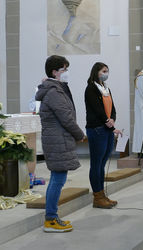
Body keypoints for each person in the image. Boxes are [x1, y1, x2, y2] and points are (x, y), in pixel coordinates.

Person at [35, 55, 85, 233]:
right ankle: (50, 220)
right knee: (57, 179)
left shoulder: (56, 88)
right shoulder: (54, 91)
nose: (67, 73)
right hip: (58, 140)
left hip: (58, 139)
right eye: (64, 69)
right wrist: (80, 135)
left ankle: (52, 217)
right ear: (54, 72)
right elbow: (66, 118)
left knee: (58, 178)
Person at [85, 62, 122, 209]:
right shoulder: (91, 88)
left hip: (107, 128)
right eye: (104, 71)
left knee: (103, 163)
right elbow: (97, 109)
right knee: (96, 164)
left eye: (107, 71)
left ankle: (102, 195)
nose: (106, 73)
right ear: (97, 72)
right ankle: (97, 197)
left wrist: (112, 119)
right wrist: (107, 121)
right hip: (96, 129)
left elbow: (112, 108)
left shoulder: (106, 88)